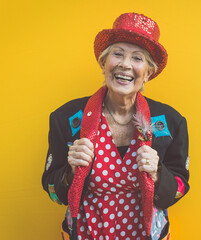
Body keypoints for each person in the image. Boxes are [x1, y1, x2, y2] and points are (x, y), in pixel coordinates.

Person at [42, 12, 190, 240]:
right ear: (103, 62)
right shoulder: (65, 119)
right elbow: (53, 192)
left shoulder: (171, 122)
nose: (125, 64)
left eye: (137, 58)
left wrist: (158, 174)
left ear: (148, 73)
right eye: (117, 54)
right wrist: (71, 171)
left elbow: (180, 188)